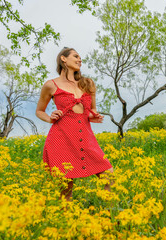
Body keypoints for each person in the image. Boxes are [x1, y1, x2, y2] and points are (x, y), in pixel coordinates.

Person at [36, 47, 113, 201]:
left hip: (85, 137)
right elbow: (39, 111)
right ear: (63, 59)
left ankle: (109, 216)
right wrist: (50, 118)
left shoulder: (87, 83)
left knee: (110, 177)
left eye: (80, 58)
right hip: (61, 139)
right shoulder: (51, 85)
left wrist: (93, 116)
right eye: (76, 56)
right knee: (66, 190)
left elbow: (91, 110)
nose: (80, 60)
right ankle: (68, 222)